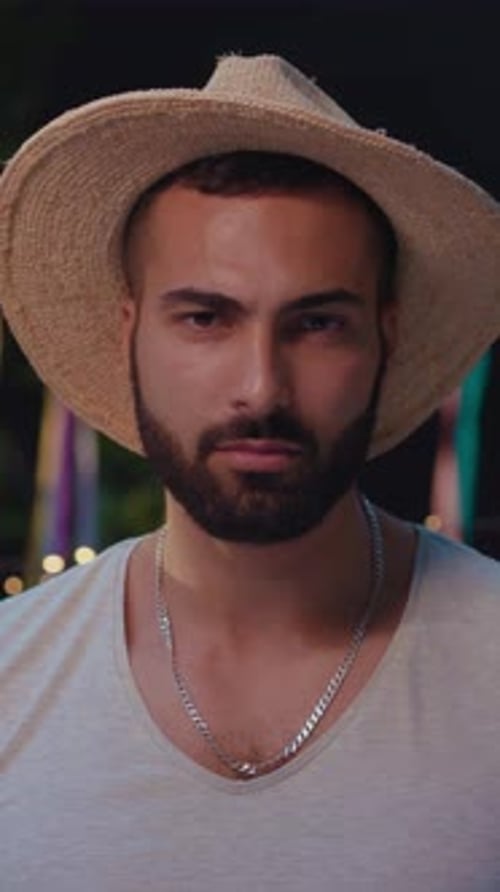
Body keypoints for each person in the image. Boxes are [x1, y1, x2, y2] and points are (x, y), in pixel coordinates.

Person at [1, 53, 500, 891]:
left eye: (316, 323)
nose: (261, 386)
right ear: (129, 333)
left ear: (387, 336)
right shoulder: (13, 679)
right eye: (205, 317)